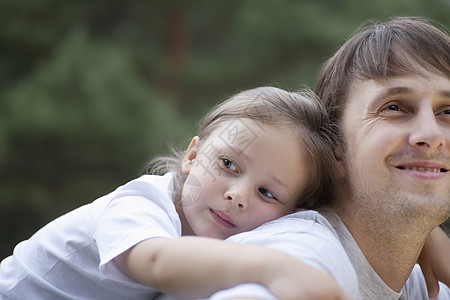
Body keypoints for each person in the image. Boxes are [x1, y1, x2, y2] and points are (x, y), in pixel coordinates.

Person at [0, 87, 352, 300]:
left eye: (267, 192)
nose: (238, 195)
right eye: (228, 164)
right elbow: (158, 262)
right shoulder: (140, 204)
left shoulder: (225, 235)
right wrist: (274, 268)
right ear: (193, 155)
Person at [210, 16, 450, 300]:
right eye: (394, 107)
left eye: (448, 112)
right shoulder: (304, 255)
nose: (431, 134)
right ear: (335, 147)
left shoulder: (420, 285)